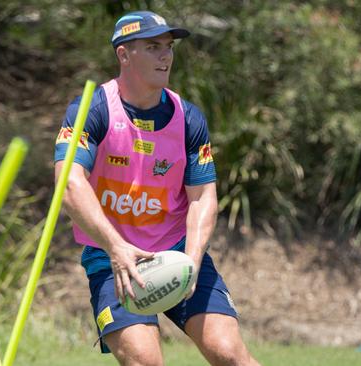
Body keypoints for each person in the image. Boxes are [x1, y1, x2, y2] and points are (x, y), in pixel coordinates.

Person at [53, 10, 260, 366]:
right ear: (124, 54)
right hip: (111, 256)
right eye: (153, 47)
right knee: (146, 362)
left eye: (168, 47)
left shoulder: (188, 117)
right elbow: (69, 183)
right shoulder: (93, 109)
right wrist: (116, 247)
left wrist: (192, 260)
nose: (166, 55)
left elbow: (202, 197)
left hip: (177, 249)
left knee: (230, 355)